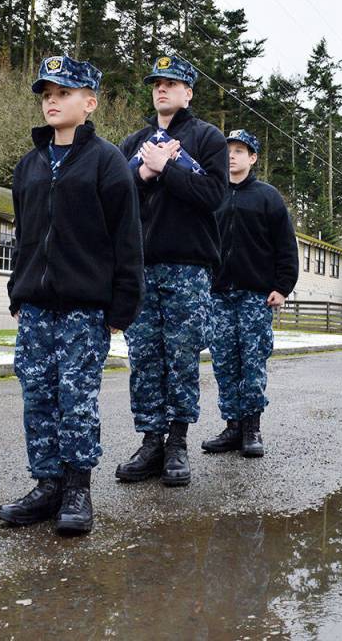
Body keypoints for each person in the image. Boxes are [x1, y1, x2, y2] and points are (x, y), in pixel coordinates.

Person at [0, 55, 144, 534]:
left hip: (85, 308)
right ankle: (46, 485)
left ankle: (77, 489)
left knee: (75, 397)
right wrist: (18, 292)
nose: (52, 101)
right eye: (46, 94)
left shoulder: (108, 162)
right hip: (37, 306)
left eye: (62, 93)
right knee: (37, 397)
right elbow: (26, 236)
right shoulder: (29, 166)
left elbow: (127, 238)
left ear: (89, 102)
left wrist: (123, 304)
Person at [115, 54, 228, 487]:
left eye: (172, 83)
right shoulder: (133, 141)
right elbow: (119, 202)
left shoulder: (207, 138)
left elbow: (214, 195)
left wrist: (171, 167)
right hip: (142, 265)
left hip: (188, 266)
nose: (161, 89)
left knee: (180, 357)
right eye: (156, 83)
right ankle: (149, 441)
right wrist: (144, 172)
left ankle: (177, 442)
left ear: (188, 93)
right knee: (144, 357)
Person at [202, 129, 298, 458]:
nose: (231, 156)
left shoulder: (267, 197)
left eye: (240, 150)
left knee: (252, 363)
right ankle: (232, 427)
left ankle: (251, 428)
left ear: (252, 157)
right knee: (225, 364)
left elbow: (286, 247)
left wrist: (282, 286)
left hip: (255, 297)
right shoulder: (210, 193)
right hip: (217, 296)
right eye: (227, 150)